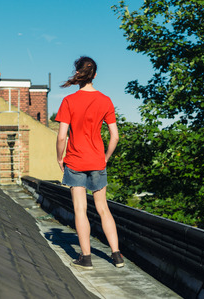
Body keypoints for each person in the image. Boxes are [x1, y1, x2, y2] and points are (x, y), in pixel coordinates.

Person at [55, 56, 124, 269]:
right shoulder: (105, 100)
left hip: (75, 161)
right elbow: (115, 137)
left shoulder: (69, 101)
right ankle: (117, 255)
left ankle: (85, 258)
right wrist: (105, 158)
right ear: (94, 75)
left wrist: (60, 157)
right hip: (97, 161)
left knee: (80, 209)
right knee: (103, 208)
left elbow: (61, 136)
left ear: (78, 73)